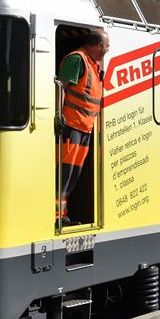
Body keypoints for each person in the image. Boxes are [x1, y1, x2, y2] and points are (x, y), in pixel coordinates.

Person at [56, 28, 109, 226]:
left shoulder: (94, 65)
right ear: (98, 45)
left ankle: (62, 216)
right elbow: (61, 87)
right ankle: (56, 219)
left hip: (84, 129)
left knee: (72, 175)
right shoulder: (77, 60)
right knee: (64, 173)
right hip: (71, 126)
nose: (108, 49)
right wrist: (58, 115)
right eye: (107, 46)